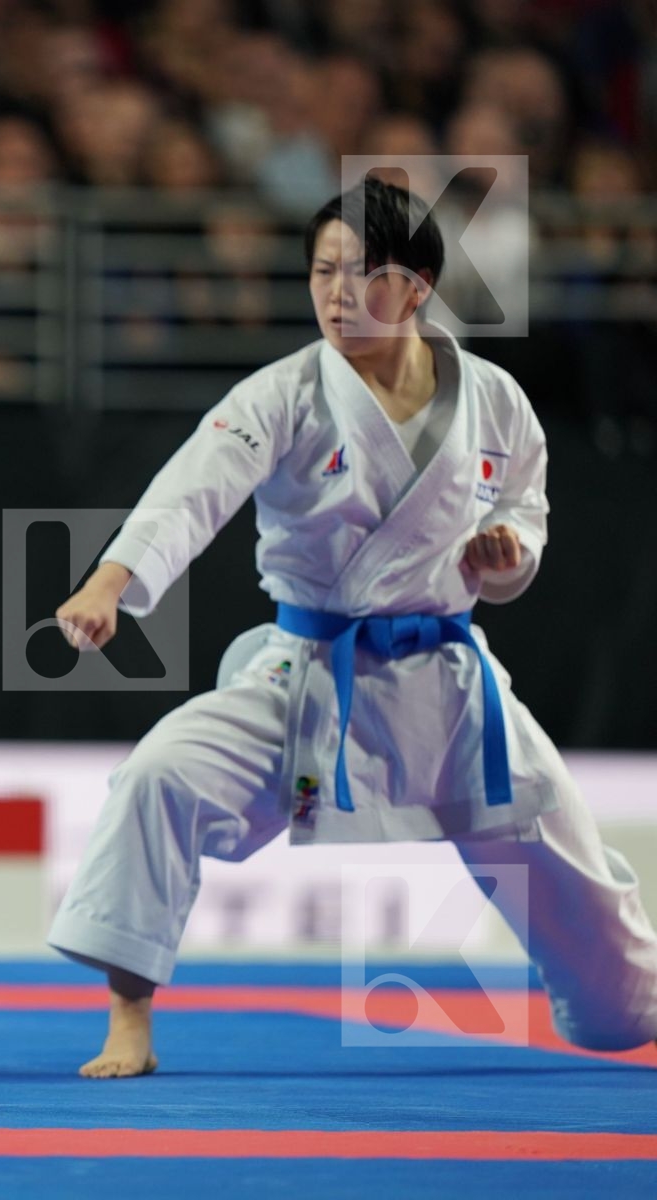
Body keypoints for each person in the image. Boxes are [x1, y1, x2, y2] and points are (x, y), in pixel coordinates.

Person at [46, 177, 657, 1078]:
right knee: (158, 777)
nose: (337, 292)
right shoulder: (282, 394)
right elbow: (188, 495)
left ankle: (626, 1002)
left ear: (416, 287)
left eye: (363, 274)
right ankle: (129, 1019)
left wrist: (507, 555)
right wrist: (108, 582)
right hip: (307, 677)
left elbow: (527, 512)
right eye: (323, 271)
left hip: (453, 691)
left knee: (599, 938)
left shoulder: (494, 399)